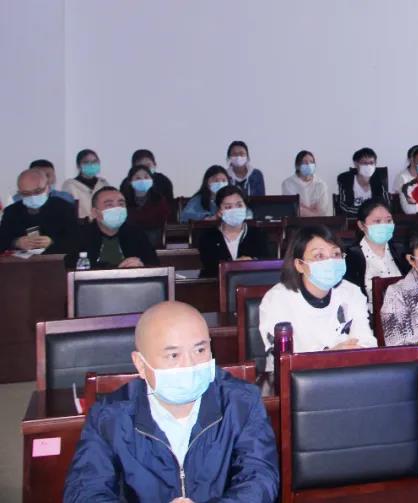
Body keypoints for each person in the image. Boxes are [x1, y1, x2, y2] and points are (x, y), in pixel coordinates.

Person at [63, 301, 279, 502]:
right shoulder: (108, 417)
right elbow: (84, 492)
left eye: (200, 350)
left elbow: (261, 478)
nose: (190, 365)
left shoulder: (241, 402)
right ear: (140, 364)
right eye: (173, 356)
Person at [259, 225, 376, 359]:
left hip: (347, 368)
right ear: (299, 265)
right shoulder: (277, 299)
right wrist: (330, 355)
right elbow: (284, 358)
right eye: (319, 256)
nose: (330, 261)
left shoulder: (351, 292)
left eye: (336, 254)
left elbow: (365, 341)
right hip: (296, 371)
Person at [69, 187, 160, 269]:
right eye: (109, 205)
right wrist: (116, 269)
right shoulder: (81, 235)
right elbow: (71, 267)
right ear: (94, 212)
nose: (117, 208)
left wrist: (141, 266)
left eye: (121, 204)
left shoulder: (136, 234)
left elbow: (154, 265)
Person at [344, 199, 409, 310]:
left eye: (388, 220)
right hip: (367, 316)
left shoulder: (402, 251)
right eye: (377, 221)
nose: (384, 225)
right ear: (361, 225)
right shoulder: (350, 257)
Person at [197, 186, 273, 278]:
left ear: (246, 208)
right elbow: (209, 268)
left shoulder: (259, 234)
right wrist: (233, 265)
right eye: (228, 207)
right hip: (215, 284)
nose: (234, 210)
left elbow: (268, 264)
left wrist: (252, 261)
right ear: (219, 211)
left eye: (239, 205)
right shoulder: (208, 237)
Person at [0, 169, 78, 254]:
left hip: (56, 258)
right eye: (26, 193)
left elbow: (77, 240)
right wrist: (16, 242)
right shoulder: (11, 212)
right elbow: (3, 240)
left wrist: (52, 242)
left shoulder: (64, 207)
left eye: (37, 191)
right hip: (21, 260)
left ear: (47, 187)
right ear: (19, 193)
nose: (33, 196)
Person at [336, 147, 388, 217]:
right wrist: (367, 213)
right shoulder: (345, 180)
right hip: (353, 220)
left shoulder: (379, 180)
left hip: (376, 220)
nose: (368, 166)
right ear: (356, 164)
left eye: (371, 163)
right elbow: (345, 207)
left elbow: (386, 204)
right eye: (365, 163)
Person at [119, 165, 172, 231]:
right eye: (138, 178)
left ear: (152, 180)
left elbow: (164, 220)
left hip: (154, 232)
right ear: (130, 182)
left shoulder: (159, 199)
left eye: (146, 177)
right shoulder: (123, 201)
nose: (142, 180)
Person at [62, 149, 111, 219]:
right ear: (78, 166)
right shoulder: (69, 185)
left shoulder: (103, 183)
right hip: (80, 223)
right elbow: (66, 210)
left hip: (101, 222)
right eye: (86, 162)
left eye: (94, 161)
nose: (91, 165)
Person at [282, 150, 332, 217]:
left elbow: (322, 211)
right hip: (296, 222)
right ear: (297, 165)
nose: (308, 165)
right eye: (304, 162)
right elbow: (293, 210)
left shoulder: (321, 184)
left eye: (311, 162)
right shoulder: (288, 184)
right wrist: (312, 210)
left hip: (318, 222)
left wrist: (303, 208)